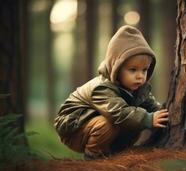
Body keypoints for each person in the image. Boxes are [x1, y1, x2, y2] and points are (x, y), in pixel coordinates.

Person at [54, 25, 169, 160]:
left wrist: (162, 114)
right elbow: (118, 113)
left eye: (144, 70)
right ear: (116, 68)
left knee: (135, 121)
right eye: (133, 70)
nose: (140, 76)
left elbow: (151, 106)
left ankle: (115, 154)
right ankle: (93, 156)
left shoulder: (138, 88)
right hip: (74, 129)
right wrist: (148, 119)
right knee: (115, 121)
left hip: (98, 125)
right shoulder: (102, 88)